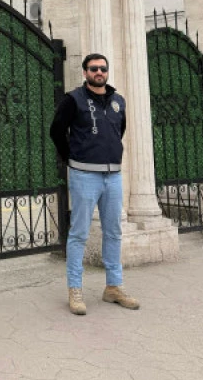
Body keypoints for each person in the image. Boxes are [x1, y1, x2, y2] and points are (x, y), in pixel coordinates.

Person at [50, 53, 140, 315]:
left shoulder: (118, 101)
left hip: (113, 176)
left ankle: (113, 286)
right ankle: (75, 289)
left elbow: (119, 131)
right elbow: (56, 130)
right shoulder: (73, 100)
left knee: (113, 231)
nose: (99, 72)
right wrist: (71, 157)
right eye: (93, 69)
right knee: (79, 233)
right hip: (84, 176)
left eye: (102, 68)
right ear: (85, 72)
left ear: (107, 72)